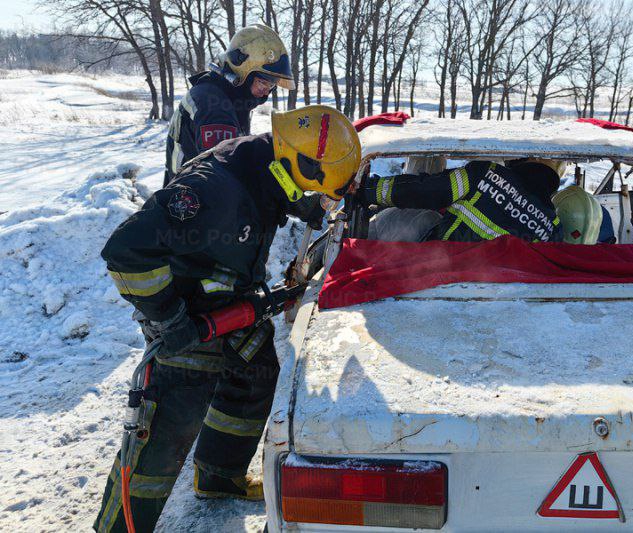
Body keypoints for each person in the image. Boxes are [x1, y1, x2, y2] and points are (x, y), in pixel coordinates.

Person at [94, 105, 361, 533]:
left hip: (231, 303)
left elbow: (272, 189)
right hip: (188, 315)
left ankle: (219, 476)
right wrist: (172, 319)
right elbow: (125, 250)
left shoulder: (264, 158)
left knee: (256, 372)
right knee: (168, 431)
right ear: (298, 161)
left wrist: (308, 208)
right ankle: (118, 528)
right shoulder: (210, 191)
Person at [164, 25, 295, 187]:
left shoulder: (230, 98)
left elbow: (241, 156)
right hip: (192, 199)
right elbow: (228, 171)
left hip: (195, 195)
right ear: (243, 70)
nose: (266, 92)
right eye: (263, 82)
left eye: (271, 86)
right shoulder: (213, 104)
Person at [357, 158, 564, 243]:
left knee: (420, 217)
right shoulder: (553, 226)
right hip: (503, 300)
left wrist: (368, 190)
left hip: (438, 272)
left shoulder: (486, 174)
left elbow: (425, 190)